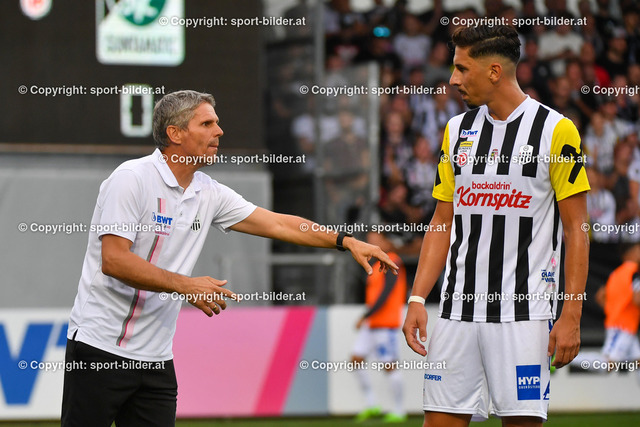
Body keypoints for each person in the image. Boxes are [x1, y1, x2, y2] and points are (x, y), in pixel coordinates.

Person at [61, 90, 399, 427]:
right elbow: (114, 261)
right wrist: (185, 285)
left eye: (217, 123)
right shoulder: (131, 178)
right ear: (175, 133)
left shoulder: (208, 191)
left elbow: (279, 224)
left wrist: (345, 241)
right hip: (99, 349)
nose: (219, 132)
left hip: (156, 358)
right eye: (207, 124)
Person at [402, 25, 590, 427]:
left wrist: (571, 312)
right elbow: (442, 221)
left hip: (523, 314)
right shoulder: (456, 130)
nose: (453, 79)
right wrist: (417, 298)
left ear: (493, 71)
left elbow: (578, 228)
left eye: (461, 68)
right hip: (457, 310)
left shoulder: (556, 131)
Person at [351, 252, 407, 423]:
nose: (371, 239)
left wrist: (366, 314)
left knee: (389, 366)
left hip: (386, 324)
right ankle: (372, 404)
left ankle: (399, 410)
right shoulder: (376, 265)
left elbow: (386, 292)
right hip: (373, 323)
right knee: (356, 360)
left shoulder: (392, 260)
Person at [597, 243, 640, 373]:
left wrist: (612, 311)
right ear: (630, 253)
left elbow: (600, 295)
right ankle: (571, 360)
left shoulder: (616, 273)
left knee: (638, 361)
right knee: (608, 364)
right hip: (623, 326)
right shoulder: (635, 271)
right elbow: (637, 299)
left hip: (623, 324)